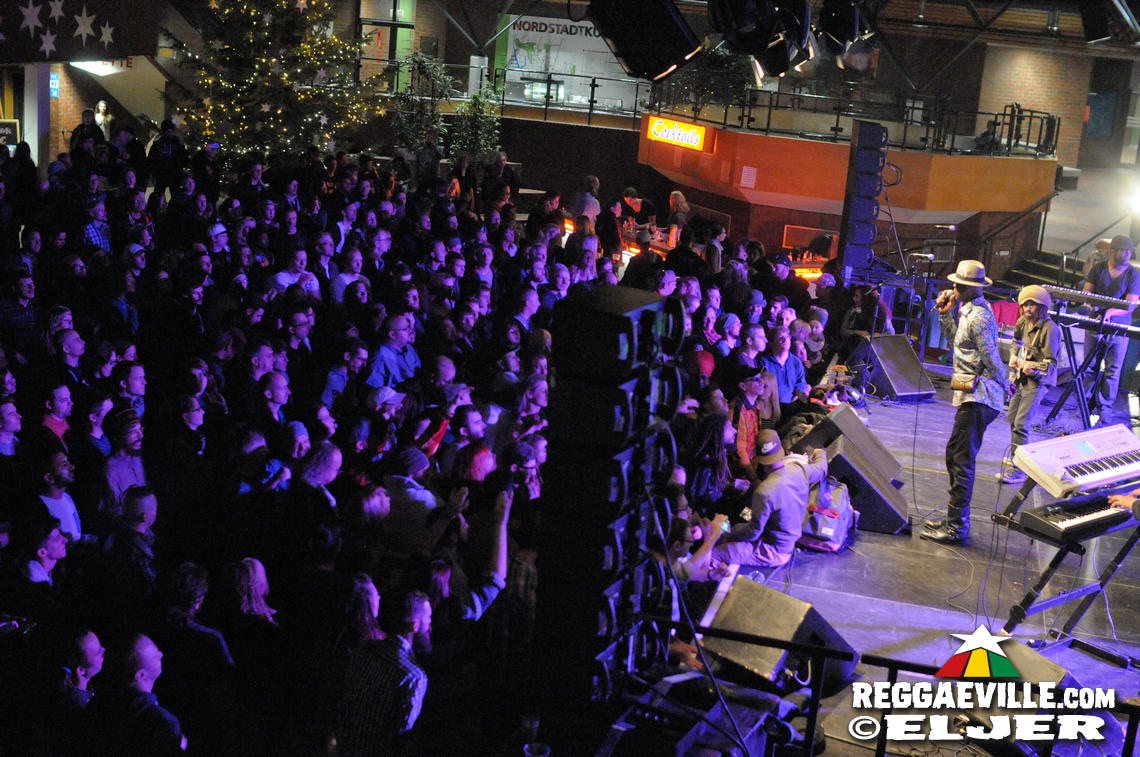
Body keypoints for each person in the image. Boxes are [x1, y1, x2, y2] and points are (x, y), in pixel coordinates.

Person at [924, 260, 1008, 544]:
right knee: (955, 455)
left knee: (961, 460)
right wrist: (945, 316)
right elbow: (957, 345)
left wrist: (1005, 384)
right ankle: (953, 518)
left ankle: (957, 527)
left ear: (969, 288)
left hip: (980, 396)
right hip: (970, 393)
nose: (954, 288)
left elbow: (991, 357)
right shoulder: (967, 313)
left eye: (959, 285)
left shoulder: (979, 318)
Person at [709, 429, 827, 569]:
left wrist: (729, 530)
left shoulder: (764, 491)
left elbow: (753, 533)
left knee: (714, 553)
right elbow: (822, 468)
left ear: (758, 458)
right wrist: (819, 452)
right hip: (786, 539)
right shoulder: (799, 470)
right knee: (744, 511)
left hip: (772, 550)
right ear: (781, 450)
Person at [999, 285, 1060, 485]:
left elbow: (1051, 363)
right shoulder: (1022, 322)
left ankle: (1020, 470)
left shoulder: (1050, 329)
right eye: (1025, 304)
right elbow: (1015, 341)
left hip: (1037, 382)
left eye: (1032, 304)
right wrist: (1014, 356)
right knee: (1012, 418)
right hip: (1021, 378)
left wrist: (1033, 368)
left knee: (1021, 424)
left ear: (1042, 307)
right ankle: (1018, 455)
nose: (1027, 308)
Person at [1081, 234, 1140, 407]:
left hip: (1118, 328)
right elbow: (1087, 293)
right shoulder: (1098, 268)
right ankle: (1084, 403)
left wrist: (1109, 313)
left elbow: (1130, 305)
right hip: (1095, 323)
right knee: (1090, 366)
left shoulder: (1133, 274)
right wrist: (1094, 308)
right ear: (1112, 251)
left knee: (1112, 370)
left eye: (1130, 252)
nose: (1128, 255)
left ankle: (1105, 407)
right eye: (1124, 251)